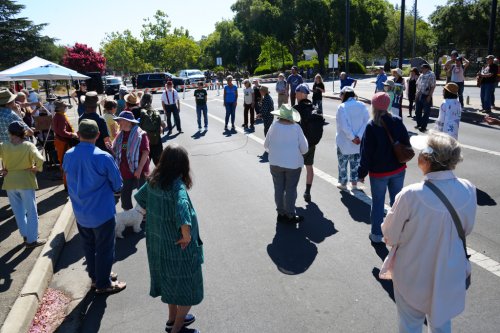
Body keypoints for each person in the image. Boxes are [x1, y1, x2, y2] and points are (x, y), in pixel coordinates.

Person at [382, 131, 476, 333]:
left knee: (410, 325)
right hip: (450, 269)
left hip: (413, 271)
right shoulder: (468, 189)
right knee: (442, 323)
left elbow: (390, 234)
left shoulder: (411, 194)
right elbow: (466, 229)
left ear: (426, 159)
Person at [134, 144, 203, 333]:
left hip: (158, 244)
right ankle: (177, 329)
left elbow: (140, 199)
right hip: (177, 247)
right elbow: (182, 211)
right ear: (182, 165)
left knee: (170, 283)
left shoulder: (153, 181)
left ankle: (172, 320)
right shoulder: (177, 187)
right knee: (189, 289)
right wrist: (187, 237)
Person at [63, 119, 126, 294]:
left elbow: (67, 176)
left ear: (78, 135)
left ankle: (96, 277)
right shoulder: (103, 156)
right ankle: (104, 283)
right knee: (105, 248)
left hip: (81, 211)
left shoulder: (69, 154)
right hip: (101, 211)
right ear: (98, 135)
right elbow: (117, 184)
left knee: (89, 247)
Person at [358, 92, 410, 243]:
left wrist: (361, 173)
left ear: (373, 106)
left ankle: (376, 234)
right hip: (398, 169)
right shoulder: (397, 121)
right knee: (397, 203)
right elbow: (406, 142)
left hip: (379, 173)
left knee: (378, 203)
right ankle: (397, 233)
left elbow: (365, 153)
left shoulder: (371, 125)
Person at [0, 121, 45, 248]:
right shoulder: (28, 145)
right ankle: (32, 239)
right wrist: (36, 168)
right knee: (31, 211)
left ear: (9, 132)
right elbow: (40, 160)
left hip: (9, 181)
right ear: (23, 132)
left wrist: (1, 170)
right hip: (25, 181)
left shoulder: (4, 146)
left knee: (18, 211)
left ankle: (26, 234)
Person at [264, 104, 308, 223]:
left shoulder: (274, 126)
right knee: (290, 189)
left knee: (278, 188)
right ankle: (290, 214)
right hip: (293, 164)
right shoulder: (296, 128)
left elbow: (266, 145)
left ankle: (280, 212)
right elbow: (304, 149)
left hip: (275, 162)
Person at [112, 111, 150, 211]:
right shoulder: (120, 135)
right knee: (125, 193)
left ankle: (144, 214)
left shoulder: (140, 134)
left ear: (128, 122)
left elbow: (146, 152)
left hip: (140, 170)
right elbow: (118, 151)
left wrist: (139, 169)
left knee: (142, 194)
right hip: (125, 170)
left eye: (120, 120)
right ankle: (127, 213)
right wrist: (111, 148)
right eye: (119, 121)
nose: (119, 123)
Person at [335, 87, 369, 190]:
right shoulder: (362, 105)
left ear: (344, 95)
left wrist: (352, 137)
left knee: (343, 163)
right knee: (355, 163)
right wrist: (358, 136)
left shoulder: (342, 107)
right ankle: (354, 183)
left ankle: (343, 183)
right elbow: (366, 122)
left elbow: (343, 125)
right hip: (358, 142)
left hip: (344, 141)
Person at [293, 83, 316, 203]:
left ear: (302, 94)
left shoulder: (295, 109)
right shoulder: (314, 108)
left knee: (295, 168)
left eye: (297, 92)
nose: (295, 94)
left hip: (298, 144)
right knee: (309, 167)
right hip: (311, 143)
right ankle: (307, 191)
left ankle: (292, 191)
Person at [52, 100, 78, 188]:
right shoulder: (60, 117)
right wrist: (72, 135)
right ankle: (68, 185)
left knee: (65, 163)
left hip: (62, 141)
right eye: (64, 106)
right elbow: (61, 132)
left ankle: (68, 184)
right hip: (63, 143)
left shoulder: (59, 115)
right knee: (66, 163)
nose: (66, 107)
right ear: (59, 108)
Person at [139, 93, 163, 165]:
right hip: (156, 141)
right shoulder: (155, 112)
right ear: (151, 101)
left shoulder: (139, 111)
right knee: (159, 165)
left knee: (144, 165)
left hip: (144, 142)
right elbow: (162, 127)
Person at [415, 63, 436, 132]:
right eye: (421, 68)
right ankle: (419, 124)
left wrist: (429, 96)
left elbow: (433, 86)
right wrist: (417, 93)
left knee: (426, 112)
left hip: (426, 95)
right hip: (419, 94)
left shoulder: (431, 74)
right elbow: (418, 84)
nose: (421, 69)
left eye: (423, 68)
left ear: (427, 68)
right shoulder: (421, 75)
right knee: (417, 111)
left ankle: (423, 127)